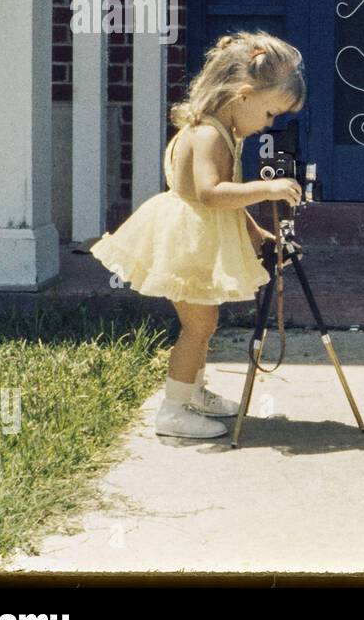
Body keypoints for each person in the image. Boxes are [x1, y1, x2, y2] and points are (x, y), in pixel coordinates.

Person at [90, 32, 306, 439]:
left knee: (205, 320)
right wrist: (269, 189)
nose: (268, 125)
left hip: (197, 234)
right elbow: (211, 193)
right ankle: (173, 409)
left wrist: (255, 230)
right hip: (185, 241)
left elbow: (226, 200)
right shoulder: (208, 134)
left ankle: (192, 392)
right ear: (244, 95)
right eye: (270, 114)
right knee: (199, 325)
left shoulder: (222, 130)